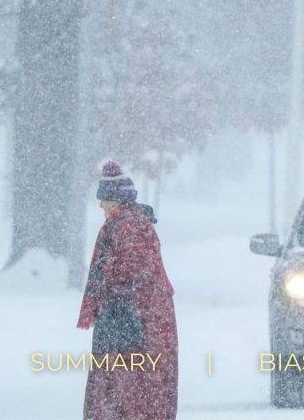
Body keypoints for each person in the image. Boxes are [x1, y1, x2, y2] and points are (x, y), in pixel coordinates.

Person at [78, 161, 177, 420]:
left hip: (136, 323)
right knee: (131, 387)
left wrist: (106, 273)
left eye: (104, 199)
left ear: (116, 200)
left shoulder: (128, 225)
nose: (101, 205)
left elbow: (133, 270)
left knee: (125, 388)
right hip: (134, 320)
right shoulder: (128, 223)